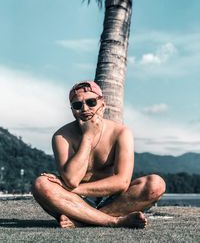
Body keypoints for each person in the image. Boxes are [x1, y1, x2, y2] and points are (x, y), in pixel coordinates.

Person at [32, 81, 166, 229]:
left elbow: (122, 182)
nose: (85, 109)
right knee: (41, 184)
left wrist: (74, 189)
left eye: (91, 102)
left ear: (102, 104)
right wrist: (88, 137)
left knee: (156, 184)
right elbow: (71, 180)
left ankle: (82, 220)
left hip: (111, 198)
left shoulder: (120, 133)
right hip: (74, 201)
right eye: (77, 105)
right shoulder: (61, 137)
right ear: (72, 110)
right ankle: (114, 221)